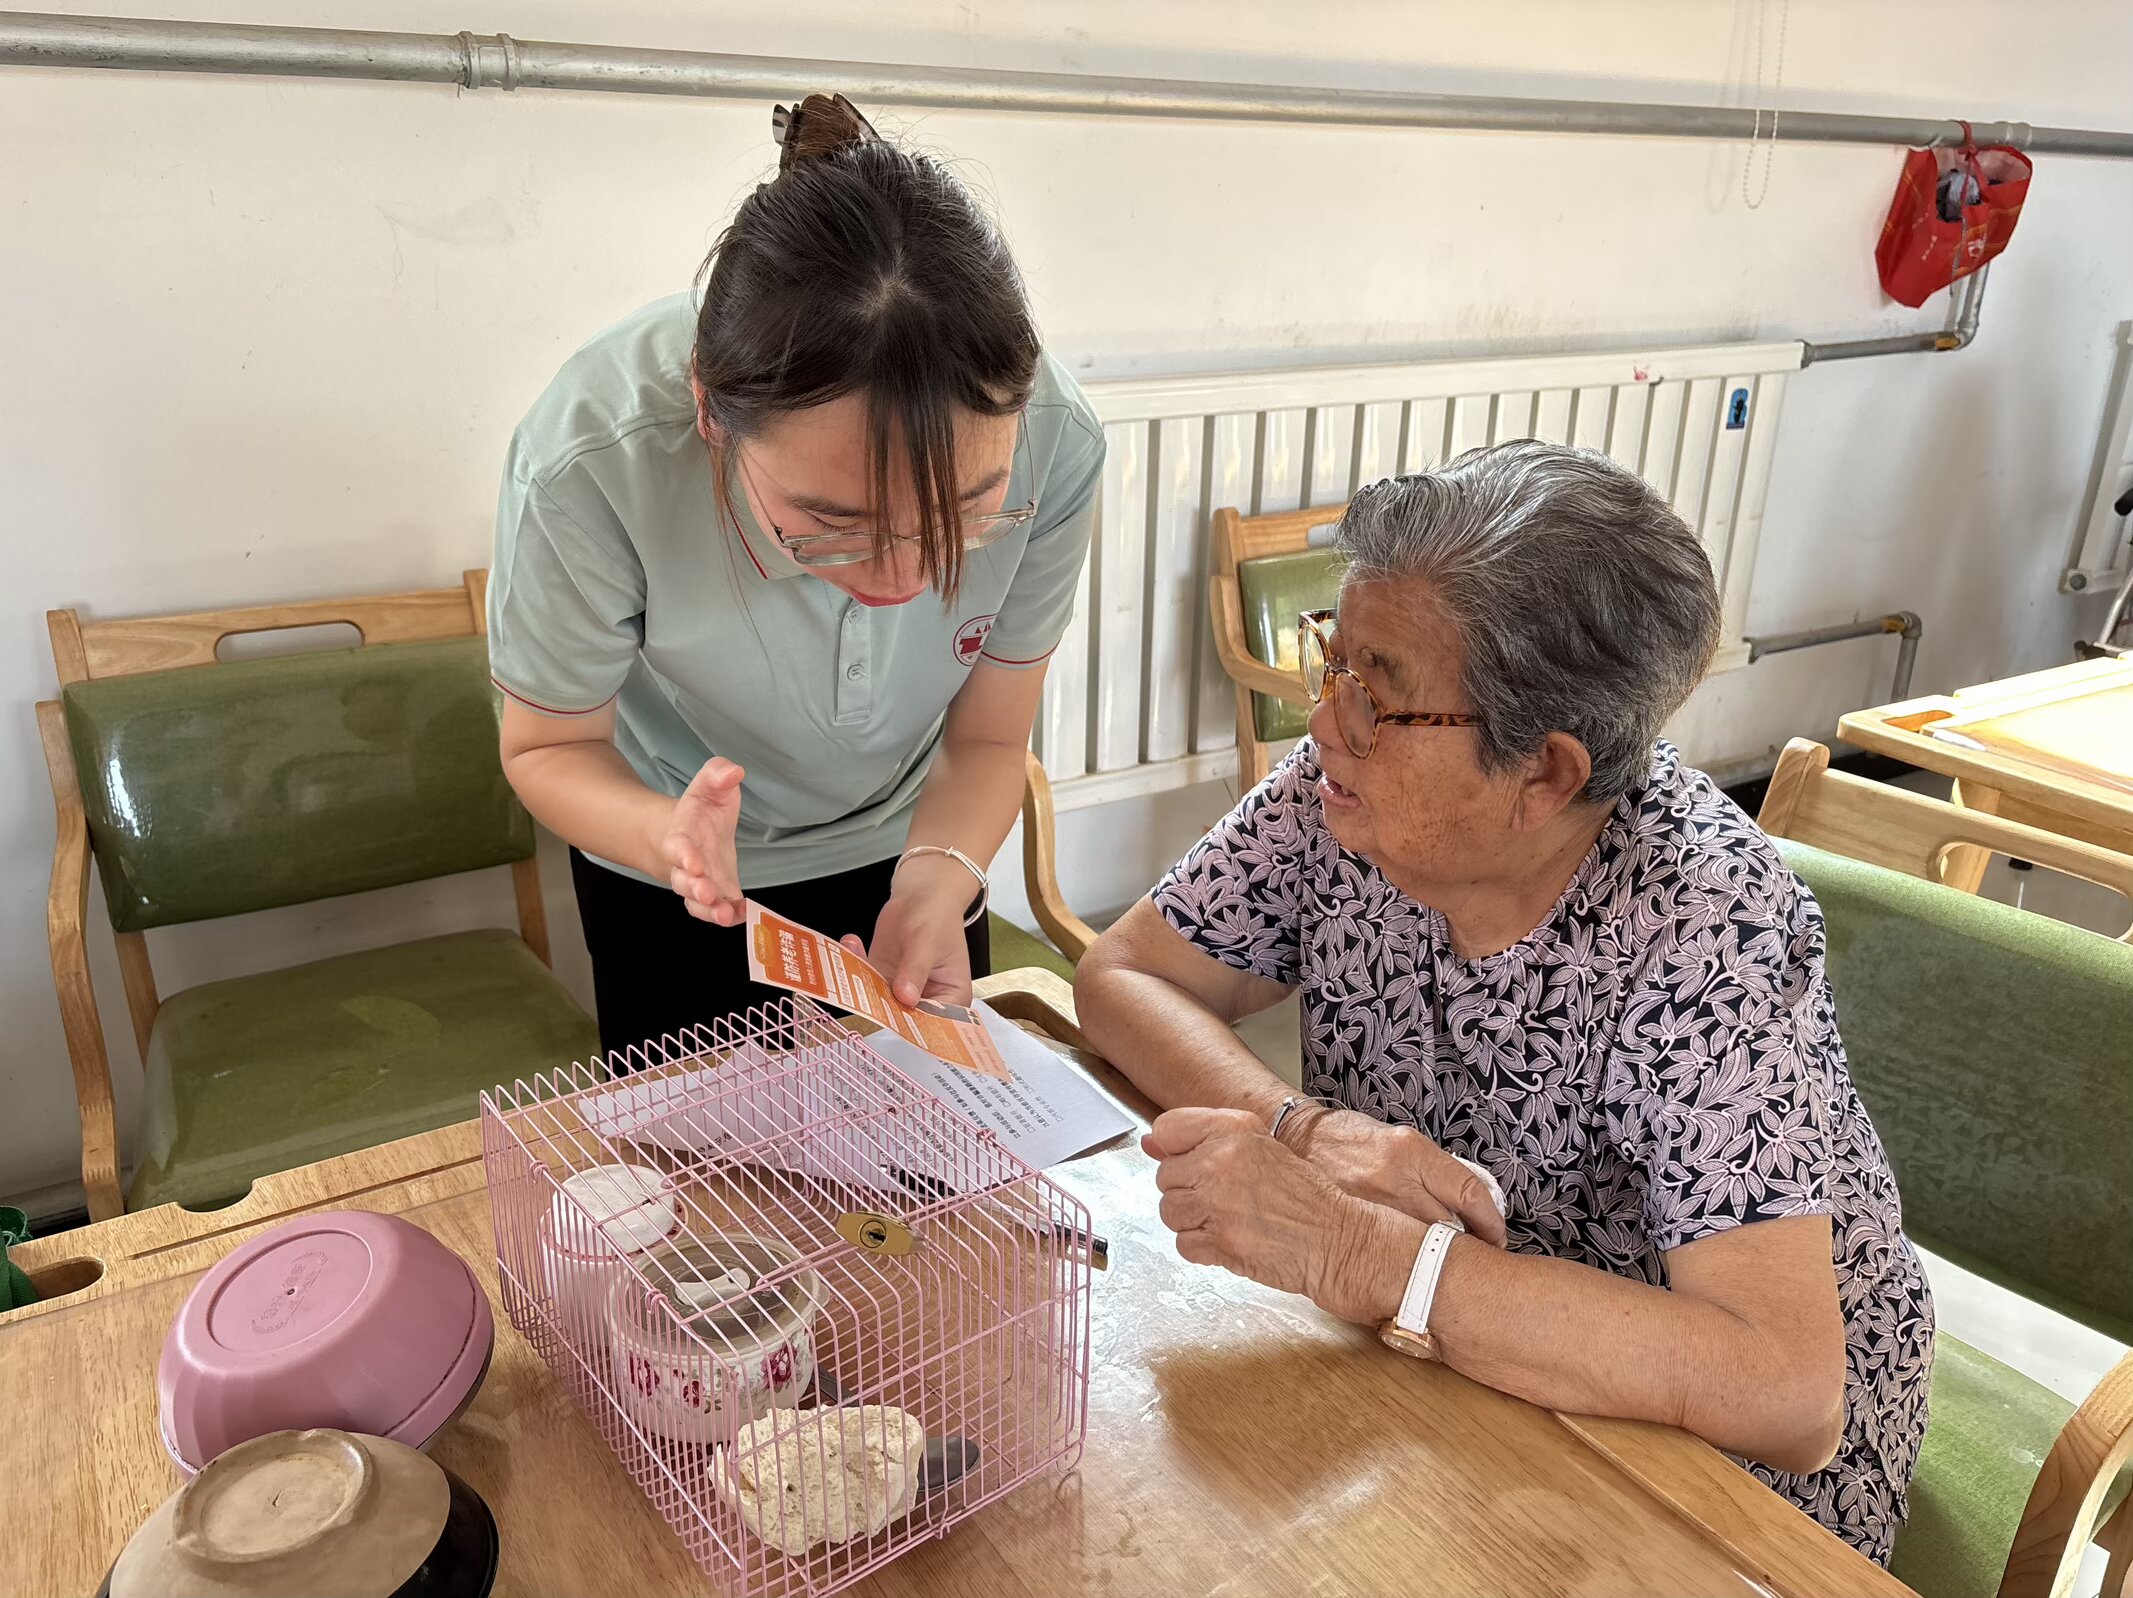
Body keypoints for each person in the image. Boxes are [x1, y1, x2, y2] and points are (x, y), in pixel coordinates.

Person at [1075, 441, 1933, 1564]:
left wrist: (1362, 1254)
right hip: (1445, 1361)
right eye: (1332, 664)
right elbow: (1124, 977)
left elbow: (1783, 1388)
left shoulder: (1703, 926)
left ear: (1545, 774)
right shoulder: (1340, 797)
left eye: (1377, 695)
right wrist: (1304, 1128)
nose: (1323, 724)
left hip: (1698, 1465)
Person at [489, 94, 1104, 1052]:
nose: (903, 583)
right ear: (708, 411)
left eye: (965, 516)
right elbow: (547, 746)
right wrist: (667, 838)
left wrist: (938, 879)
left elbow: (988, 738)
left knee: (943, 1136)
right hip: (677, 867)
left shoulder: (1056, 441)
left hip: (921, 839)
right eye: (832, 524)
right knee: (707, 1150)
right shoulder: (590, 461)